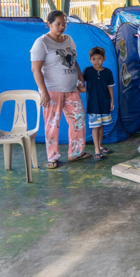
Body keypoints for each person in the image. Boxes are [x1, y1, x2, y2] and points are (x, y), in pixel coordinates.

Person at [30, 10, 91, 169]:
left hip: (72, 89)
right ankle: (53, 157)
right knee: (52, 124)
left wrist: (81, 79)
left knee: (78, 119)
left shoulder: (69, 40)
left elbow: (74, 62)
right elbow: (36, 69)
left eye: (64, 23)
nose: (62, 27)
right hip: (52, 91)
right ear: (48, 24)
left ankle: (76, 153)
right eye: (58, 24)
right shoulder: (41, 43)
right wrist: (43, 92)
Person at [81, 47, 115, 161]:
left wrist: (112, 101)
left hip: (104, 103)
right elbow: (81, 83)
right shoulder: (87, 71)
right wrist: (80, 87)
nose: (97, 61)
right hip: (93, 105)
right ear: (90, 59)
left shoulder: (108, 72)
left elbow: (110, 88)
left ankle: (100, 145)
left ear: (104, 59)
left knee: (101, 126)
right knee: (95, 127)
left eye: (99, 59)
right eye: (94, 59)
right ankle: (96, 150)